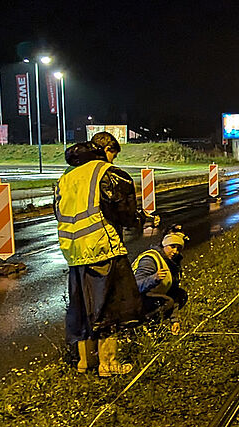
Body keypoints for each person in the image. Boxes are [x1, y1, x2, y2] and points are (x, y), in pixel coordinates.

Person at [55, 131, 156, 376]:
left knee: (82, 309)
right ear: (107, 149)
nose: (113, 161)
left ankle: (84, 362)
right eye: (113, 155)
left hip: (73, 251)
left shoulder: (66, 177)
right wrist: (139, 219)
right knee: (109, 308)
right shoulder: (106, 173)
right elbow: (124, 213)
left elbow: (58, 212)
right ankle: (108, 364)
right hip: (102, 248)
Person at [133, 226, 189, 335]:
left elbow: (173, 293)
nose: (175, 251)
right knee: (167, 302)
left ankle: (155, 326)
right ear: (164, 245)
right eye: (172, 247)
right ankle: (141, 327)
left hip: (152, 296)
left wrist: (175, 320)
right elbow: (135, 286)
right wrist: (154, 279)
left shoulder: (173, 264)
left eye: (178, 248)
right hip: (135, 300)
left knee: (180, 294)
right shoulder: (150, 260)